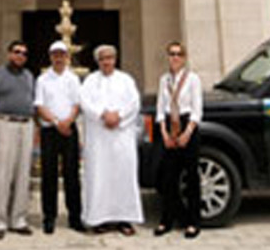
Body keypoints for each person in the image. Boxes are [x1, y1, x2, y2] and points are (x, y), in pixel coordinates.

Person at [79, 44, 144, 236]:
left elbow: (134, 103)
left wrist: (119, 116)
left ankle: (125, 219)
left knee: (123, 176)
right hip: (99, 138)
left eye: (109, 58)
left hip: (121, 137)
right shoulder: (90, 81)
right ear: (97, 61)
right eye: (102, 59)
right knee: (99, 176)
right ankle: (99, 219)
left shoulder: (126, 80)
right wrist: (102, 115)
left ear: (115, 59)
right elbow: (85, 102)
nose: (106, 62)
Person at [0, 40, 36, 239]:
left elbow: (33, 103)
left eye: (24, 53)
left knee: (23, 174)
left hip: (27, 125)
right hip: (4, 124)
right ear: (9, 53)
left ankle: (19, 219)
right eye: (17, 52)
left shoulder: (29, 77)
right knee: (2, 174)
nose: (20, 56)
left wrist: (35, 128)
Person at [154, 41, 203, 239]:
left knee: (191, 177)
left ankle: (193, 222)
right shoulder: (164, 80)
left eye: (178, 54)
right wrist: (164, 133)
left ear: (184, 58)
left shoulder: (192, 79)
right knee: (168, 178)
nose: (174, 58)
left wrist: (187, 133)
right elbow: (160, 108)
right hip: (169, 126)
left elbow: (197, 109)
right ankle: (168, 219)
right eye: (171, 54)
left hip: (187, 126)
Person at [34, 40, 85, 234]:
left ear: (67, 57)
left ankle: (75, 217)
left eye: (61, 54)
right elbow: (40, 106)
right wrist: (57, 123)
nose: (58, 58)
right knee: (49, 175)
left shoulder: (73, 79)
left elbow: (76, 104)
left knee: (72, 174)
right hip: (50, 130)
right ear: (50, 57)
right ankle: (49, 217)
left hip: (69, 130)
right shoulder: (43, 79)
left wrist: (67, 122)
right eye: (55, 54)